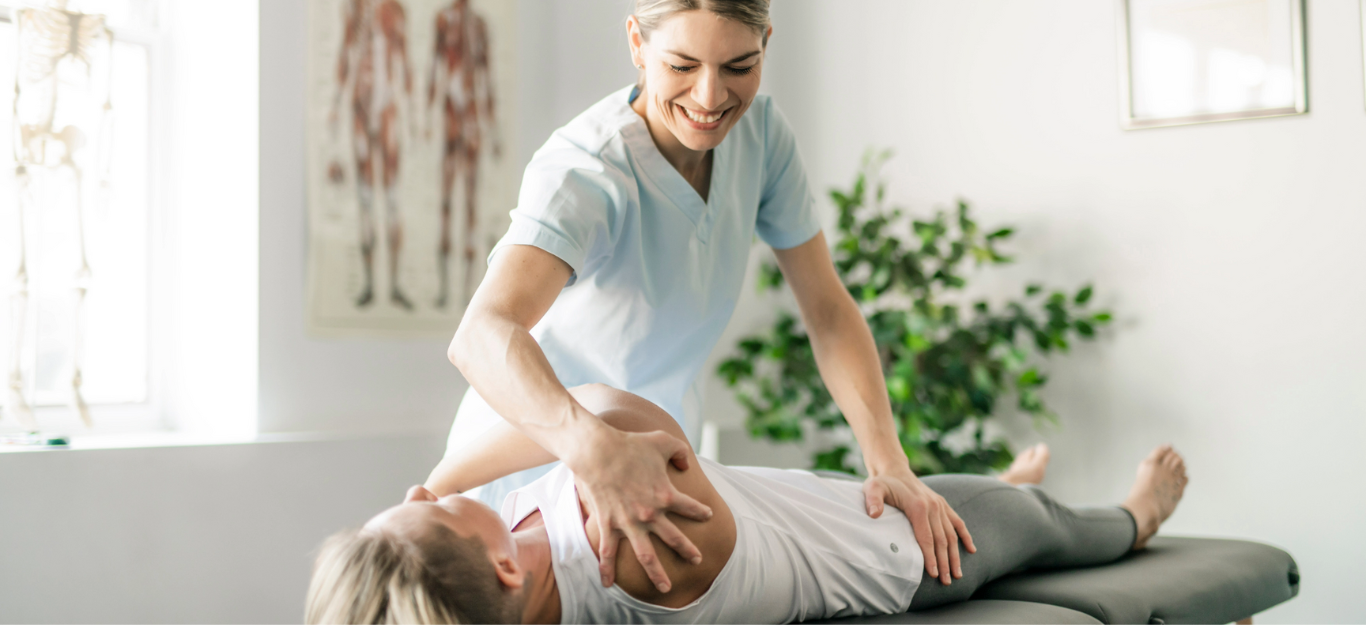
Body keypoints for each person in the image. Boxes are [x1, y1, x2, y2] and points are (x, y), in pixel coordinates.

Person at [444, 0, 973, 596]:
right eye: (682, 66)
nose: (710, 97)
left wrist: (889, 462)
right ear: (637, 43)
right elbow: (481, 336)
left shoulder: (763, 138)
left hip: (657, 469)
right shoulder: (586, 171)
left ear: (766, 46)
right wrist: (591, 449)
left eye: (739, 67)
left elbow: (828, 310)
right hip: (538, 479)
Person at [305, 385, 1189, 624]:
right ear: (500, 563)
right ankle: (1137, 513)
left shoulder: (516, 582)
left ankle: (1001, 481)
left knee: (993, 492)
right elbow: (605, 407)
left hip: (812, 504)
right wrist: (448, 475)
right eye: (429, 507)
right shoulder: (638, 550)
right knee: (1042, 528)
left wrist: (442, 504)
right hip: (900, 552)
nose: (427, 490)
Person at [332, 0, 414, 310]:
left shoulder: (395, 8)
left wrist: (413, 116)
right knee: (366, 198)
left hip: (388, 107)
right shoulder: (355, 0)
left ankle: (394, 284)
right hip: (363, 106)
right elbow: (346, 53)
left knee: (393, 198)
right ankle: (368, 283)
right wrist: (336, 106)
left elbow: (405, 62)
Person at [427, 0, 499, 310]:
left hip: (470, 120)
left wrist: (493, 128)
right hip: (452, 118)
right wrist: (426, 118)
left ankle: (469, 292)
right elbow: (435, 68)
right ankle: (443, 289)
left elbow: (487, 79)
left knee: (470, 202)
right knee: (445, 200)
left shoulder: (480, 26)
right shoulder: (444, 19)